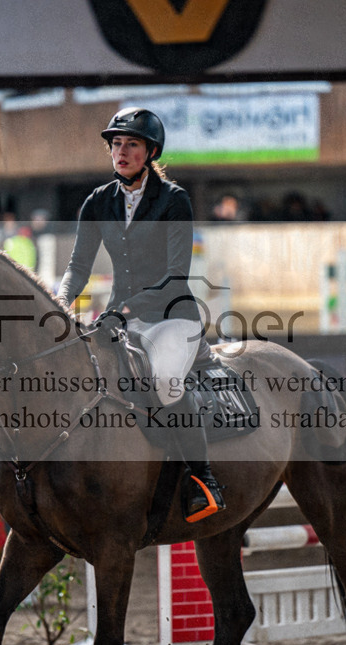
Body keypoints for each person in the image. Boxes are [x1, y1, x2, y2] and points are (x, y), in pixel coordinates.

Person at [57, 107, 225, 522]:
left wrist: (122, 311)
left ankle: (203, 481)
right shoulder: (98, 202)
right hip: (120, 316)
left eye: (131, 144)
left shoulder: (174, 201)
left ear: (150, 151)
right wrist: (59, 303)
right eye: (116, 144)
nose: (121, 151)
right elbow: (78, 266)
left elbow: (174, 277)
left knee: (166, 382)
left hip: (171, 315)